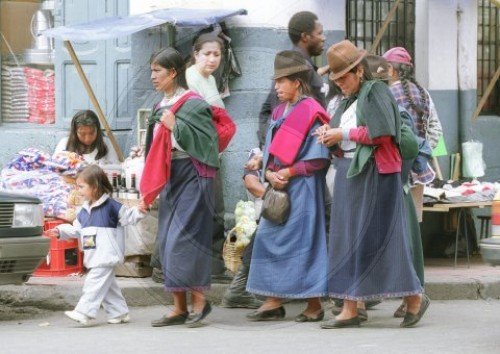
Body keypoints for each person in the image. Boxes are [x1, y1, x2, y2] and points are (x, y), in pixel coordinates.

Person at [315, 40, 429, 329]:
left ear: (359, 72)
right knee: (347, 240)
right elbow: (349, 132)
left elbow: (383, 133)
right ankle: (350, 306)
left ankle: (414, 296)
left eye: (344, 77)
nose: (340, 83)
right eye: (336, 79)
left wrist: (343, 133)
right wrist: (331, 133)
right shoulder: (349, 99)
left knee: (380, 239)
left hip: (376, 173)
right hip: (350, 172)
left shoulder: (376, 90)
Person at [245, 50, 331, 322]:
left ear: (297, 82)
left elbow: (319, 158)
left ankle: (314, 304)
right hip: (278, 188)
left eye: (282, 81)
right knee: (268, 238)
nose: (277, 86)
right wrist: (267, 171)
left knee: (305, 243)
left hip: (303, 188)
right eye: (276, 81)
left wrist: (288, 171)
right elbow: (272, 148)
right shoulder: (280, 111)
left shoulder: (313, 111)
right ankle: (273, 300)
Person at [144, 47, 220, 328]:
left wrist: (176, 126)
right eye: (152, 70)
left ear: (173, 72)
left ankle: (200, 302)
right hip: (171, 174)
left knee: (186, 240)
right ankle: (178, 307)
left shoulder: (194, 103)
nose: (152, 76)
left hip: (194, 173)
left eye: (157, 70)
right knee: (166, 240)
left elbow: (208, 143)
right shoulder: (159, 105)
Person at [46, 164, 148, 325]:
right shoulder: (83, 211)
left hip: (107, 255)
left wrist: (141, 210)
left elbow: (129, 216)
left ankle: (84, 312)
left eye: (81, 187)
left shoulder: (112, 207)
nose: (78, 190)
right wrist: (60, 231)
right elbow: (76, 230)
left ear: (95, 187)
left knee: (93, 283)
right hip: (93, 254)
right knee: (108, 285)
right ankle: (119, 312)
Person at [383, 47, 441, 317]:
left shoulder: (387, 94)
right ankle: (412, 295)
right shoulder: (424, 94)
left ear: (392, 70)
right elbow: (436, 130)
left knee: (400, 236)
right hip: (418, 173)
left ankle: (412, 296)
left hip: (396, 171)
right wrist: (421, 153)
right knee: (412, 234)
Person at [185, 32, 228, 280]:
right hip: (197, 155)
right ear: (195, 54)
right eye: (207, 54)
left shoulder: (209, 79)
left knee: (214, 210)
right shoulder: (191, 79)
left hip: (211, 152)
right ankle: (202, 267)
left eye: (217, 54)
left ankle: (212, 266)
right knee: (205, 211)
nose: (212, 59)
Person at [257, 10, 327, 148]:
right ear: (305, 37)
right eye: (319, 33)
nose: (323, 38)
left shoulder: (296, 64)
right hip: (296, 153)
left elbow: (267, 109)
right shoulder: (297, 68)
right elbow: (282, 110)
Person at [220, 148, 264, 308]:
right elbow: (251, 183)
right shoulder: (258, 153)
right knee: (261, 241)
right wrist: (277, 199)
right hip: (270, 210)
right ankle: (238, 290)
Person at [54, 109, 120, 165]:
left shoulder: (105, 143)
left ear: (97, 130)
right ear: (75, 132)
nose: (87, 139)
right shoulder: (65, 144)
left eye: (92, 133)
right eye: (82, 134)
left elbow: (115, 166)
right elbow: (55, 166)